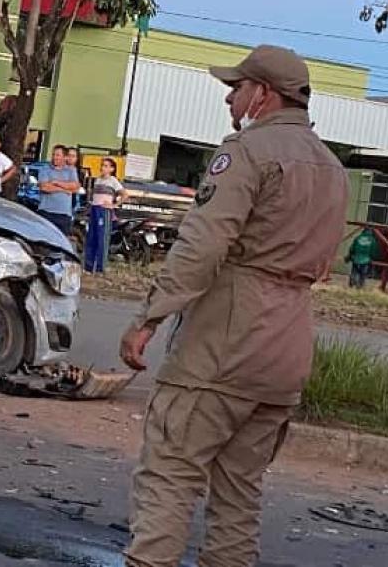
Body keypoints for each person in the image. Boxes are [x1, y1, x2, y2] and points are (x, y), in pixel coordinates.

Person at [118, 45, 348, 567]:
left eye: (237, 86)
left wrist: (148, 318)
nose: (229, 95)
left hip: (226, 339)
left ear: (262, 95)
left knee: (169, 477)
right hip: (287, 344)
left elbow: (202, 245)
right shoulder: (333, 169)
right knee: (238, 497)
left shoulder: (246, 152)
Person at [84, 157, 125, 273]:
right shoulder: (98, 180)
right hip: (94, 209)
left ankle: (100, 267)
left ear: (112, 169)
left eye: (107, 166)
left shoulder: (113, 181)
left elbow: (124, 194)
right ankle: (88, 266)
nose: (103, 168)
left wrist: (114, 205)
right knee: (91, 237)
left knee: (102, 238)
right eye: (103, 165)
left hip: (104, 210)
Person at [36, 145, 80, 235]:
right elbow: (44, 187)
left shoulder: (71, 170)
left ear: (65, 157)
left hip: (64, 214)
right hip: (46, 212)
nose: (54, 157)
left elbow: (75, 187)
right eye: (53, 155)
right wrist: (64, 190)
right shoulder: (45, 169)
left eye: (57, 155)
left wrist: (56, 182)